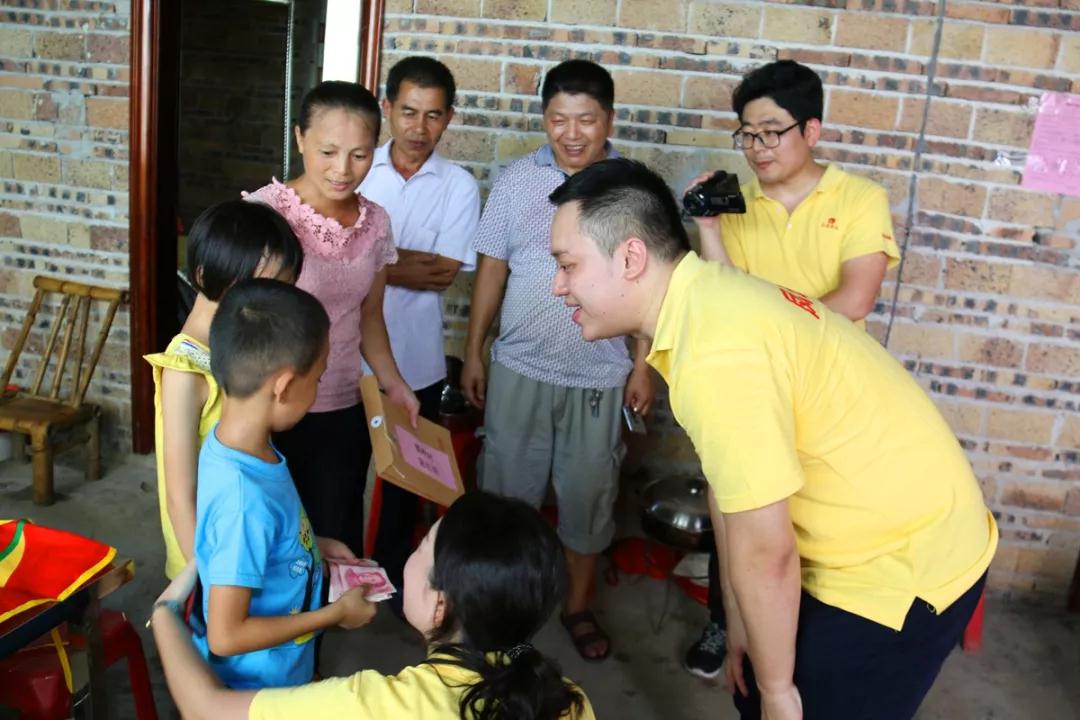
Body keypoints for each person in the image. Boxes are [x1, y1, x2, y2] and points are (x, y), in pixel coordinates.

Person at [547, 158, 997, 720]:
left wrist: (779, 690)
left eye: (567, 265)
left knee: (779, 697)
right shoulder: (708, 299)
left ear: (631, 258)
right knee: (757, 676)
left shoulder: (717, 350)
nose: (558, 286)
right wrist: (738, 616)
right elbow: (730, 488)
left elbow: (768, 551)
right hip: (885, 534)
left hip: (902, 570)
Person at [683, 59, 902, 678]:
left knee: (813, 523)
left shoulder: (859, 200)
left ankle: (803, 642)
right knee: (739, 517)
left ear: (812, 130)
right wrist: (708, 227)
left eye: (772, 132)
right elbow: (724, 294)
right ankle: (727, 622)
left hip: (832, 395)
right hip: (754, 393)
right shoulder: (738, 204)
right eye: (747, 134)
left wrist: (767, 329)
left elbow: (856, 298)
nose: (758, 147)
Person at [461, 59, 654, 662]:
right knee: (506, 496)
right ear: (545, 119)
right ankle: (502, 610)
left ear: (610, 120)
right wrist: (474, 351)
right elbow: (492, 269)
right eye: (558, 119)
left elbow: (654, 287)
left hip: (600, 374)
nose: (572, 134)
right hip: (519, 367)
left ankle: (577, 606)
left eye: (586, 120)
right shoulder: (517, 181)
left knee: (589, 497)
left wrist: (643, 366)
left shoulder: (634, 191)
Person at [151, 492, 598, 720]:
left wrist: (165, 613)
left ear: (440, 605)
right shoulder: (569, 700)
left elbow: (207, 708)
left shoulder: (382, 705)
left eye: (423, 546)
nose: (412, 553)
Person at [244, 81, 420, 557]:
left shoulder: (375, 222)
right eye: (327, 152)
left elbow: (369, 316)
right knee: (272, 541)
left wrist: (394, 384)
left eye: (359, 155)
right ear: (299, 137)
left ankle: (326, 608)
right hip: (269, 406)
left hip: (342, 403)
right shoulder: (264, 215)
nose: (343, 170)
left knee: (335, 535)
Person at [193, 278, 375, 689]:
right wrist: (334, 614)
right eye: (318, 379)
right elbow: (226, 635)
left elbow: (264, 538)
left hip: (284, 668)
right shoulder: (244, 501)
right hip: (258, 688)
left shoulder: (238, 446)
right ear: (285, 386)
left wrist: (312, 544)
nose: (319, 389)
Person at [358, 56, 479, 608]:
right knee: (341, 474)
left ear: (449, 117)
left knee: (404, 485)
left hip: (417, 363)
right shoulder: (359, 169)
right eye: (408, 112)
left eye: (433, 115)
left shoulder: (459, 185)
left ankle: (389, 581)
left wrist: (362, 257)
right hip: (346, 359)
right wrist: (404, 261)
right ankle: (338, 578)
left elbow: (443, 273)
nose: (419, 127)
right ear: (387, 108)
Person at [145, 200, 304, 581]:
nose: (274, 303)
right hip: (211, 561)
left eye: (282, 289)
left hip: (245, 539)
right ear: (204, 275)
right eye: (260, 287)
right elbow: (180, 495)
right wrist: (207, 583)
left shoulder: (239, 344)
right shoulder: (185, 372)